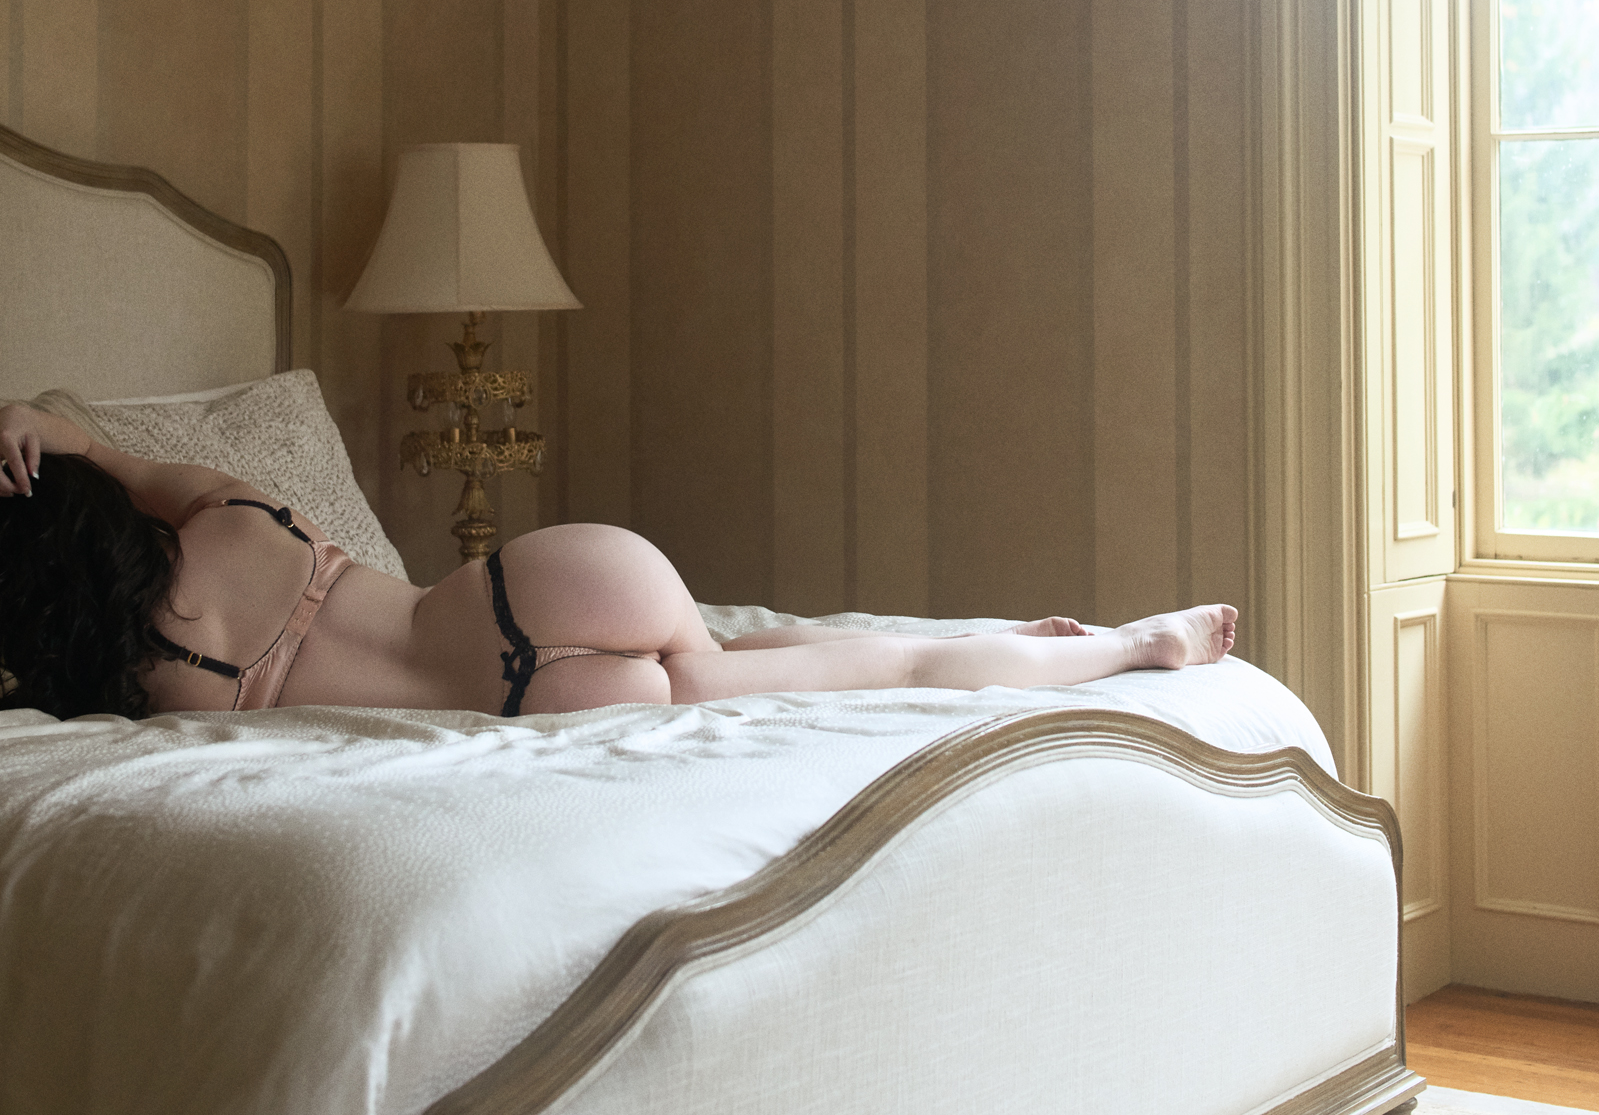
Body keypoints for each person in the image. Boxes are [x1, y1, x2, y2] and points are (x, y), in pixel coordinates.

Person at [0, 402, 1237, 723]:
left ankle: (1122, 647)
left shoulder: (130, 686)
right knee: (743, 653)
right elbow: (99, 444)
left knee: (768, 673)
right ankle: (1078, 641)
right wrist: (34, 427)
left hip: (522, 698)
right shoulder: (224, 508)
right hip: (533, 583)